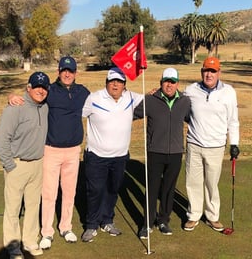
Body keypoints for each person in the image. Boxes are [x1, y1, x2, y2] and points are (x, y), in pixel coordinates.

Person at [9, 56, 90, 249]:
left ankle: (66, 227)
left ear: (76, 73)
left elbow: (103, 100)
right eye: (64, 70)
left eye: (70, 71)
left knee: (70, 192)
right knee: (49, 193)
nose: (67, 74)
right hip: (51, 150)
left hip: (73, 151)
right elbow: (29, 95)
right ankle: (47, 231)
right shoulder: (50, 91)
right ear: (59, 72)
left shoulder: (83, 92)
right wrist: (10, 96)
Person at [80, 67, 144, 243]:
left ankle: (107, 220)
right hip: (96, 155)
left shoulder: (131, 97)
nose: (115, 84)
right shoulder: (94, 98)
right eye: (112, 81)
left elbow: (152, 100)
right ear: (106, 83)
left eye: (119, 81)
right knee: (95, 190)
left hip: (120, 156)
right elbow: (76, 115)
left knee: (112, 189)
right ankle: (91, 225)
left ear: (125, 85)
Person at [0, 71, 50, 259]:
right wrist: (9, 165)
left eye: (44, 88)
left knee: (33, 206)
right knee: (13, 208)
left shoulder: (44, 107)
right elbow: (2, 139)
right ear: (28, 88)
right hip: (17, 165)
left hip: (37, 164)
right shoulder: (15, 107)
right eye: (37, 86)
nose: (40, 91)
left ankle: (29, 241)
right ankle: (13, 247)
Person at [183, 57, 240, 233]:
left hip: (216, 146)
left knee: (211, 183)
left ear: (219, 73)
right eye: (206, 71)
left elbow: (233, 121)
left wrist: (234, 144)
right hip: (194, 144)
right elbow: (182, 110)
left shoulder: (228, 92)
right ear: (202, 72)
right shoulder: (191, 90)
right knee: (193, 182)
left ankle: (212, 217)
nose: (209, 74)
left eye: (213, 71)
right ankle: (193, 216)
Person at [133, 68, 191, 239]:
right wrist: (143, 96)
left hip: (175, 152)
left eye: (173, 82)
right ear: (161, 82)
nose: (169, 85)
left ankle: (164, 220)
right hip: (155, 151)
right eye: (166, 81)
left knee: (168, 189)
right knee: (152, 188)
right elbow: (131, 113)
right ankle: (147, 224)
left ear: (177, 84)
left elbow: (193, 118)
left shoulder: (185, 102)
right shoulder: (151, 99)